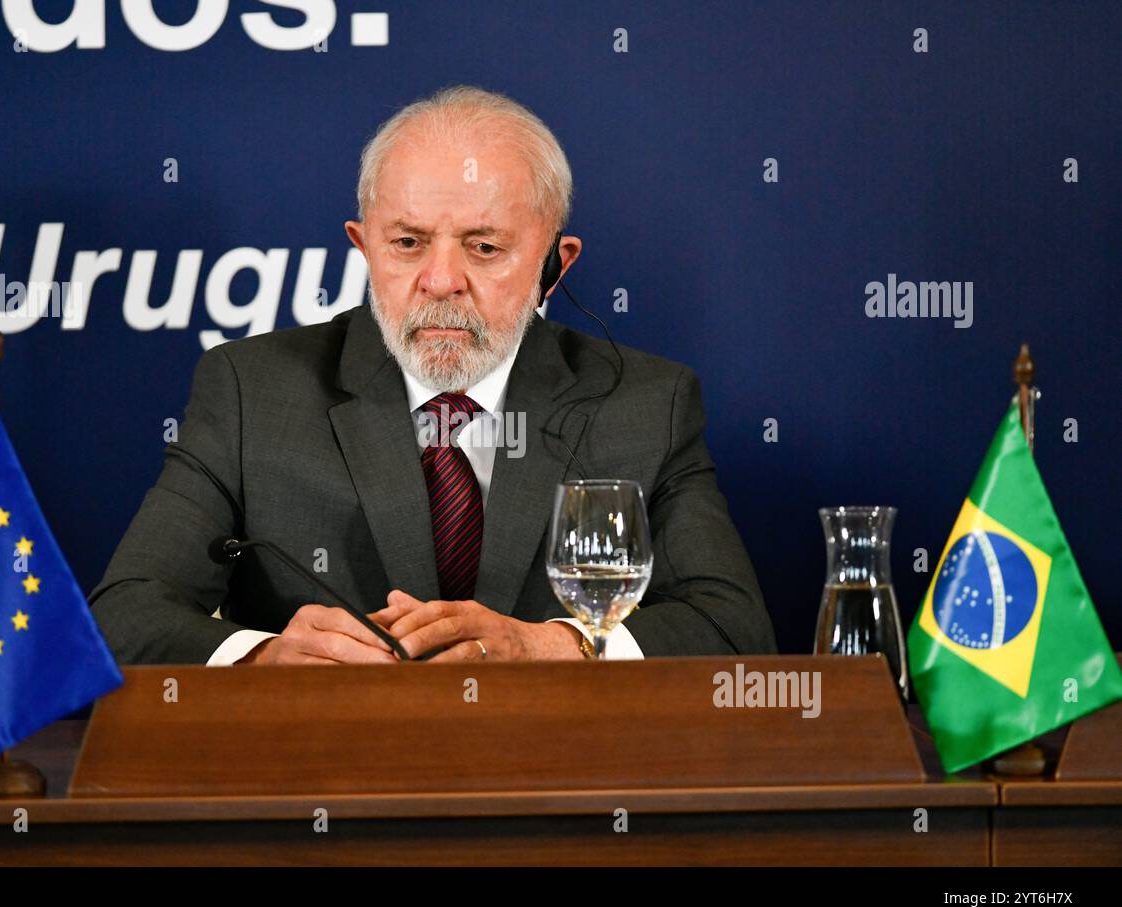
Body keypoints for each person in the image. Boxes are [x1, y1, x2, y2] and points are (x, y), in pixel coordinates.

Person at [89, 85, 775, 665]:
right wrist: (261, 657)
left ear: (554, 267)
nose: (441, 281)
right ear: (364, 247)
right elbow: (123, 618)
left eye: (484, 247)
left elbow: (735, 631)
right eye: (408, 243)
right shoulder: (250, 390)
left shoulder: (646, 404)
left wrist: (552, 647)